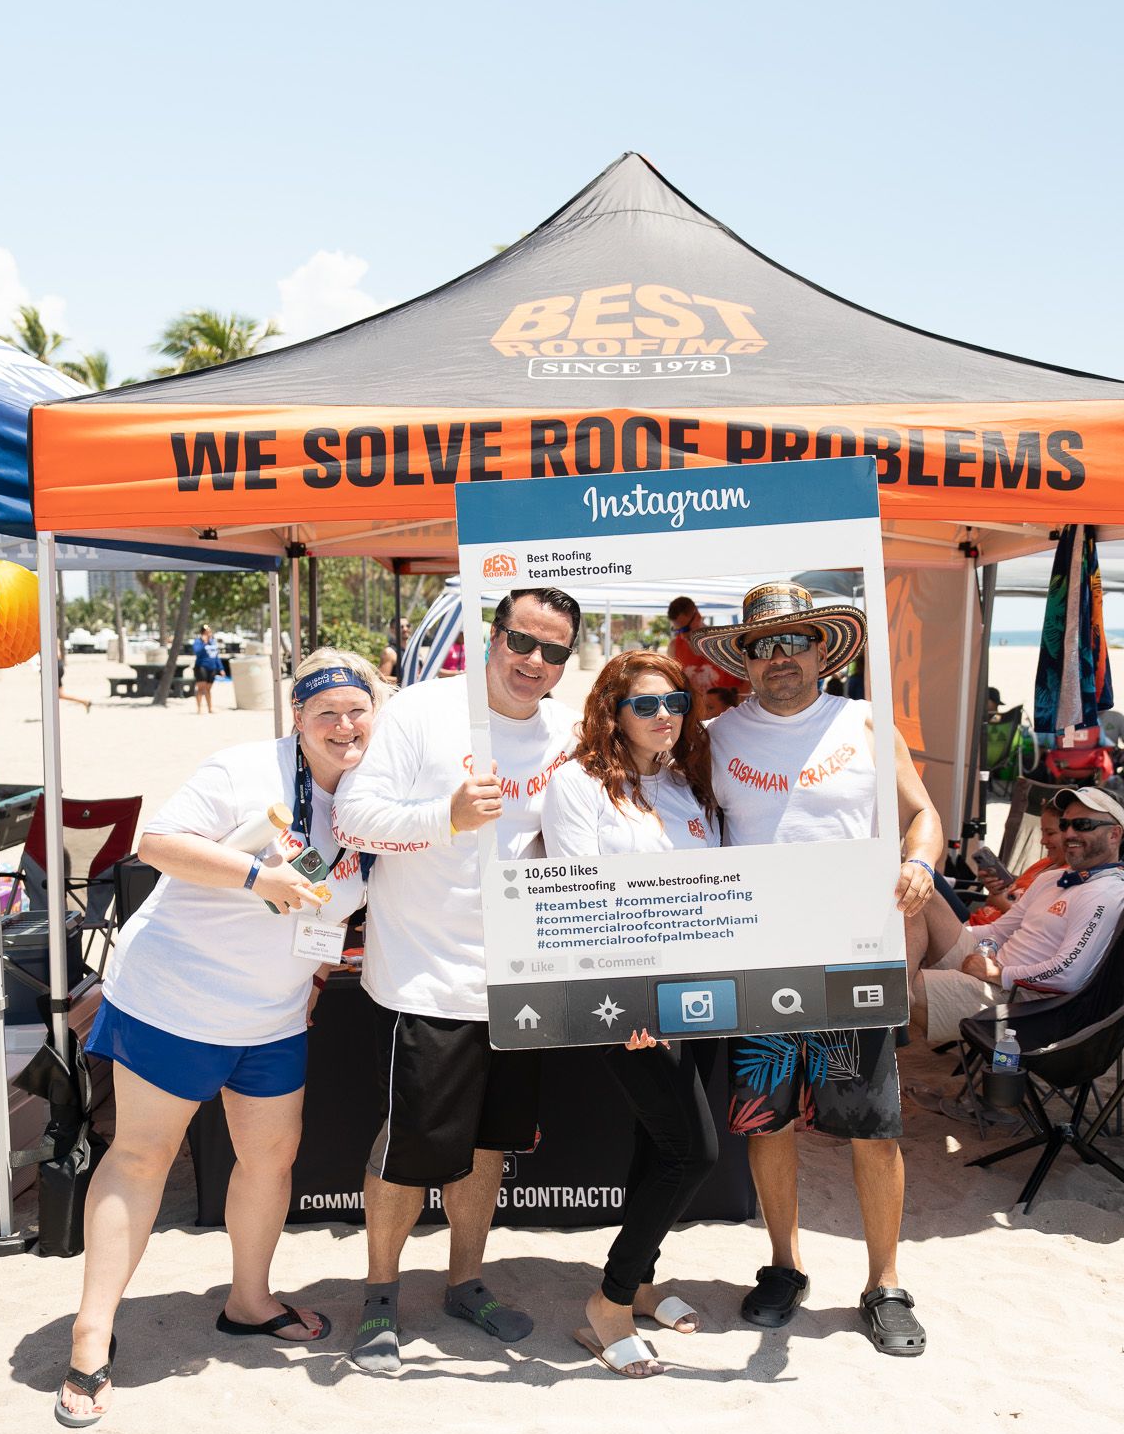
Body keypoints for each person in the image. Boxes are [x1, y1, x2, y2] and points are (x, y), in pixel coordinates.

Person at [54, 648, 382, 1428]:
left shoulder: (374, 800)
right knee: (140, 1157)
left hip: (270, 1017)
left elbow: (340, 902)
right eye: (323, 711)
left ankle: (248, 1298)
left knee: (269, 1158)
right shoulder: (243, 771)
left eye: (356, 709)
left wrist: (306, 982)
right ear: (296, 717)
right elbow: (156, 845)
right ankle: (91, 1334)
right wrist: (253, 876)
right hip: (175, 1001)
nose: (342, 725)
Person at [690, 581, 942, 1357]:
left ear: (823, 649)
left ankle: (884, 1281)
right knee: (767, 1121)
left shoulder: (868, 724)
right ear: (743, 661)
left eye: (793, 643)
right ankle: (782, 1265)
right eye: (761, 646)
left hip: (849, 962)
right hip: (756, 962)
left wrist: (921, 863)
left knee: (870, 1126)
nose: (778, 660)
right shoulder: (714, 736)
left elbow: (922, 814)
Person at [332, 588, 580, 1375]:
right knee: (408, 1148)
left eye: (553, 652)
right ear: (492, 636)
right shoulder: (421, 711)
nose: (533, 662)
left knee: (489, 1146)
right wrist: (446, 816)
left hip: (520, 977)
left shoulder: (567, 733)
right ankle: (378, 1296)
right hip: (424, 977)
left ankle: (465, 1281)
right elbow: (352, 817)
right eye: (521, 641)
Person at [541, 651, 721, 1377]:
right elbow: (575, 902)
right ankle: (609, 1304)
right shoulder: (577, 785)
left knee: (657, 1148)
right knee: (693, 1152)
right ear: (611, 711)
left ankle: (641, 1282)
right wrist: (634, 999)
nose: (664, 717)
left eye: (674, 702)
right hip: (624, 1000)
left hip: (699, 995)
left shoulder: (684, 787)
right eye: (645, 705)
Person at [907, 785, 1124, 1048]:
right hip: (992, 963)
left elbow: (1068, 974)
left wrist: (999, 974)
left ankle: (899, 992)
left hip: (1024, 1001)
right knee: (916, 888)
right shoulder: (1052, 877)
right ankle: (900, 985)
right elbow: (1000, 931)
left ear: (1114, 835)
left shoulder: (1106, 893)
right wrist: (943, 934)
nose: (1069, 833)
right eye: (1065, 824)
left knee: (894, 988)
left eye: (1082, 824)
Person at [968, 801, 1066, 926]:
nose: (1042, 841)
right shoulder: (1045, 863)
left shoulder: (1065, 878)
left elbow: (1035, 926)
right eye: (1042, 832)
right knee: (936, 882)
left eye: (1050, 833)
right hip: (976, 922)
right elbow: (1014, 895)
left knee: (935, 892)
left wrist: (999, 902)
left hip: (987, 937)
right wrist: (996, 889)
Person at [667, 595, 749, 704]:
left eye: (685, 629)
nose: (682, 635)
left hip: (727, 717)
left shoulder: (726, 642)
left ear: (698, 617)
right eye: (677, 631)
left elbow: (749, 680)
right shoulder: (674, 646)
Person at [190, 623, 225, 715]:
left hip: (212, 668)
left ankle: (210, 708)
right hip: (201, 667)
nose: (208, 633)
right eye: (206, 632)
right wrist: (204, 643)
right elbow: (197, 652)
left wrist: (221, 668)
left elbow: (216, 656)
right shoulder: (198, 641)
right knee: (201, 688)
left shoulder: (213, 642)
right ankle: (199, 709)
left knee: (208, 689)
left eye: (209, 631)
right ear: (202, 633)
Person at [377, 617, 411, 685]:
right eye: (401, 627)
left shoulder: (412, 650)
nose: (405, 629)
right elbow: (382, 678)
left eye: (408, 626)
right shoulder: (390, 652)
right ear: (392, 630)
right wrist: (407, 679)